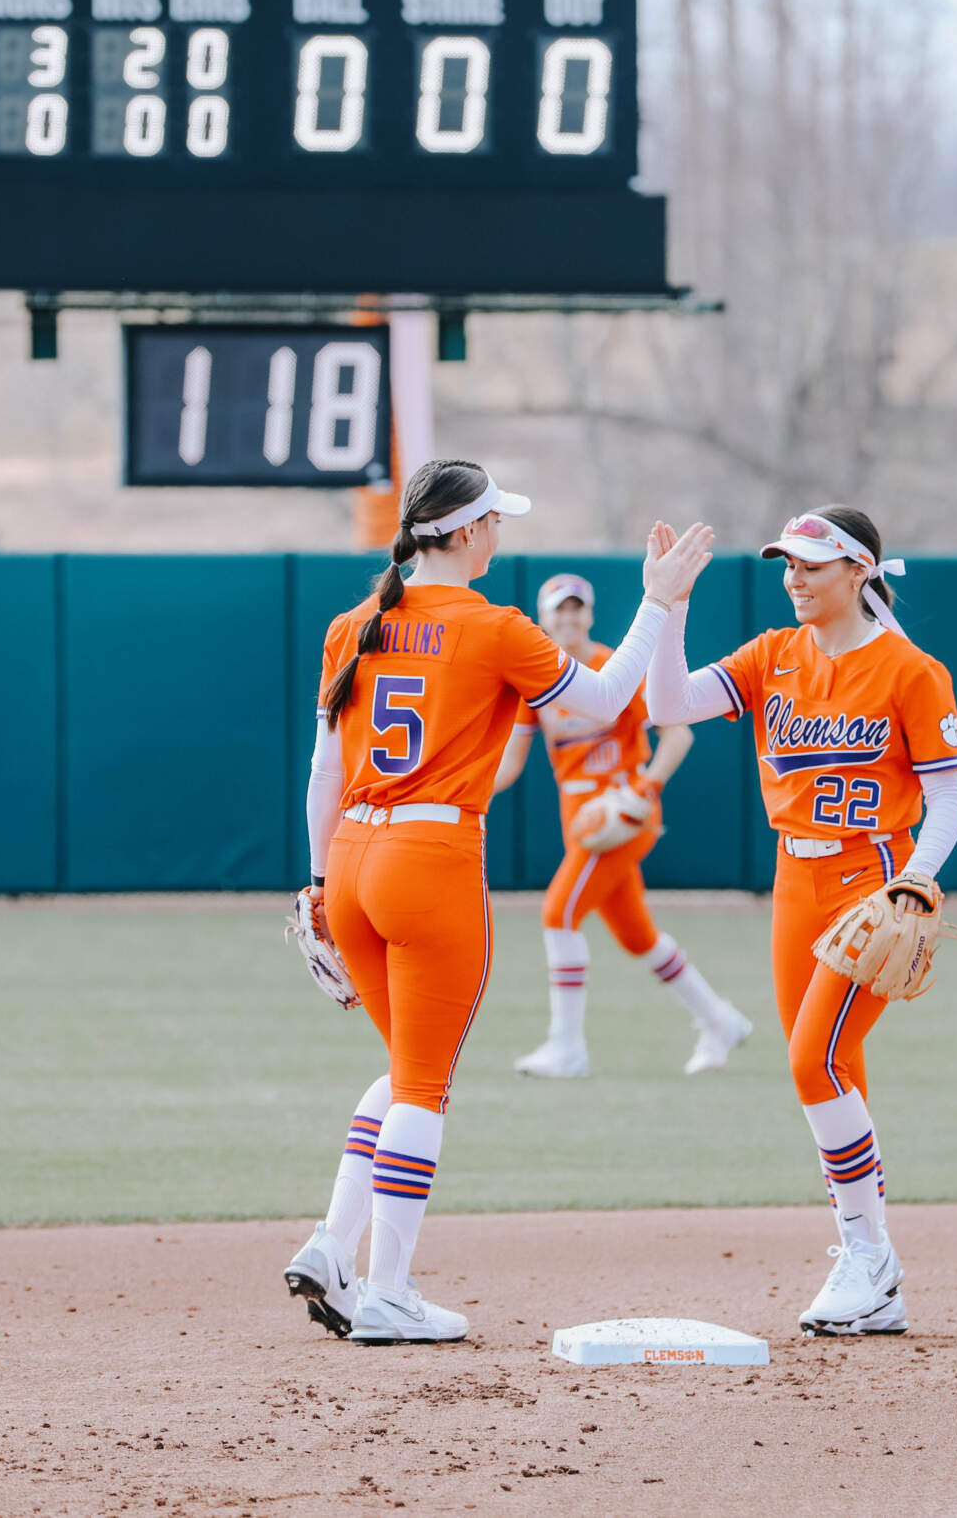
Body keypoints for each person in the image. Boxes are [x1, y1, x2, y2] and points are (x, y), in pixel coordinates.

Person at [282, 459, 713, 1345]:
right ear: (469, 530)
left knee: (406, 1066)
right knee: (424, 1084)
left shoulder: (352, 624)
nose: (500, 535)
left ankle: (331, 1244)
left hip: (352, 856)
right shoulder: (493, 625)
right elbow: (605, 697)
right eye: (496, 522)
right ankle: (388, 1291)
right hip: (430, 856)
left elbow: (324, 769)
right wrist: (657, 601)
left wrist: (319, 882)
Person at [642, 506, 957, 1336]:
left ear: (860, 571)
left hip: (873, 880)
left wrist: (916, 881)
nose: (793, 579)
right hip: (795, 879)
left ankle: (870, 1257)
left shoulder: (910, 669)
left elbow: (948, 795)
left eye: (811, 565)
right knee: (834, 1066)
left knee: (811, 1058)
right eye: (787, 564)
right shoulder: (773, 654)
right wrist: (670, 604)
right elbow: (666, 702)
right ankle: (873, 1275)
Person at [494, 572, 753, 1079]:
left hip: (623, 815)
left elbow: (678, 735)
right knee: (638, 937)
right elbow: (509, 764)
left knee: (558, 914)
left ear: (589, 614)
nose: (569, 618)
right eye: (559, 610)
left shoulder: (615, 668)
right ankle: (719, 1019)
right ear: (543, 619)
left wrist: (645, 787)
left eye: (577, 608)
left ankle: (567, 1047)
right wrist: (461, 794)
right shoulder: (537, 683)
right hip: (581, 821)